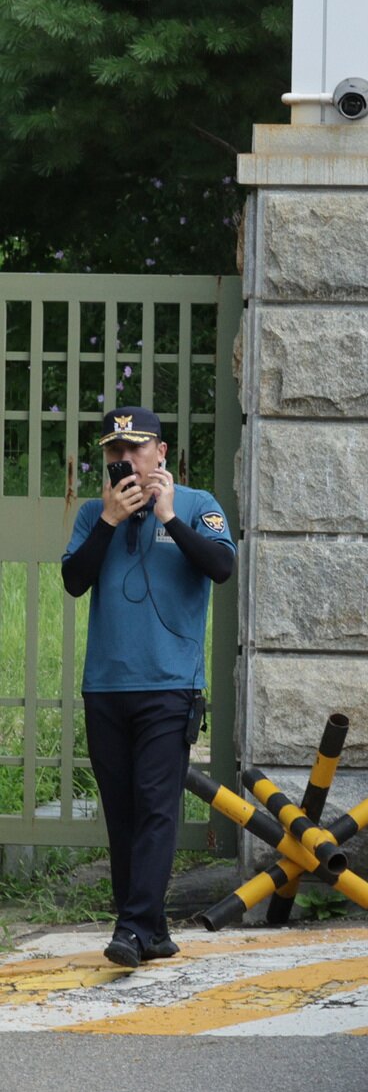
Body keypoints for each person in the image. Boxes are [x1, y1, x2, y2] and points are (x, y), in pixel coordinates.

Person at [60, 406, 236, 968]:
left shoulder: (198, 505)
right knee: (123, 813)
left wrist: (169, 518)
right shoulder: (94, 514)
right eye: (114, 453)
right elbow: (73, 580)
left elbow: (220, 567)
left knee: (157, 807)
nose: (124, 460)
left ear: (161, 451)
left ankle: (132, 928)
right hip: (106, 687)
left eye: (135, 449)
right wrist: (111, 521)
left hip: (169, 688)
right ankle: (152, 930)